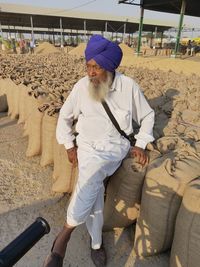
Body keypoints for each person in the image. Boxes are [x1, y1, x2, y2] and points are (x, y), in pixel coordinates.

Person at [43, 34, 155, 267]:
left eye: (96, 67)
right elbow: (65, 117)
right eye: (88, 66)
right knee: (92, 184)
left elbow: (147, 116)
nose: (90, 72)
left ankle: (64, 235)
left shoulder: (128, 87)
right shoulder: (81, 87)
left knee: (92, 173)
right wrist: (69, 144)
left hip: (114, 148)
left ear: (110, 68)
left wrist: (141, 143)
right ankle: (94, 243)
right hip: (86, 146)